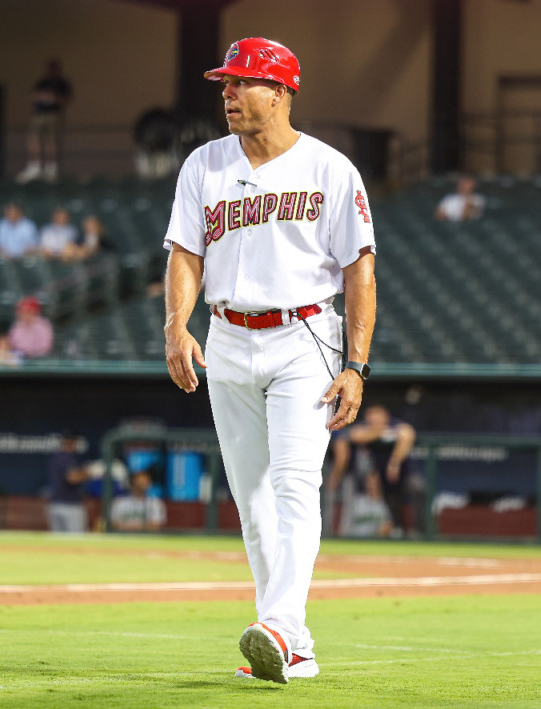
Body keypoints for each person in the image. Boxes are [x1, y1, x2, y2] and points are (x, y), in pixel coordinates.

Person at [163, 37, 376, 684]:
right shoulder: (204, 164)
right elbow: (184, 253)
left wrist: (356, 364)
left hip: (303, 333)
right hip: (227, 334)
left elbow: (359, 269)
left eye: (240, 83)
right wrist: (177, 325)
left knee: (293, 482)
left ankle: (278, 626)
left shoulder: (329, 169)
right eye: (224, 84)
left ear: (280, 92)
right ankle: (294, 643)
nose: (226, 93)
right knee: (251, 500)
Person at [347, 404, 417, 535]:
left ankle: (418, 532)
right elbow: (356, 436)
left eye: (377, 415)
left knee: (417, 487)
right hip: (376, 478)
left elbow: (408, 433)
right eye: (370, 415)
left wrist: (395, 462)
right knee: (387, 502)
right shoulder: (365, 426)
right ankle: (395, 531)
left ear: (385, 416)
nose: (373, 419)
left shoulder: (395, 424)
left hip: (401, 473)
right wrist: (381, 431)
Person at [17, 59, 73, 184]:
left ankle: (51, 168)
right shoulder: (42, 82)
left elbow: (67, 101)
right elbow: (33, 96)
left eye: (53, 69)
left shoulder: (62, 83)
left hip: (54, 115)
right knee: (33, 139)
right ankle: (34, 166)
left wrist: (54, 98)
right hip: (38, 114)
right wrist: (42, 96)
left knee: (51, 140)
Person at [46, 431, 91, 533]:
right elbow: (72, 478)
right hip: (70, 505)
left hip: (55, 504)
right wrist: (87, 474)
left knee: (59, 544)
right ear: (72, 442)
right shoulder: (68, 457)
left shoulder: (55, 457)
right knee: (76, 541)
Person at [339, 470, 392, 538]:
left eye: (374, 482)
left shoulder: (382, 506)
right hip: (354, 541)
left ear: (379, 484)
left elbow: (388, 526)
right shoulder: (357, 502)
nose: (372, 485)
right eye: (370, 482)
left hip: (373, 543)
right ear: (366, 483)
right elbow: (345, 524)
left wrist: (383, 530)